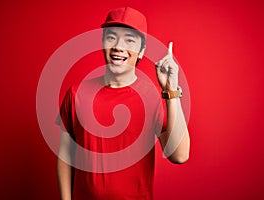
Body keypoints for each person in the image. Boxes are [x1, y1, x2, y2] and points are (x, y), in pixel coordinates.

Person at [57, 7, 190, 200]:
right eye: (111, 37)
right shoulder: (77, 93)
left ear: (142, 51)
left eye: (129, 40)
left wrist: (172, 88)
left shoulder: (150, 97)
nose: (119, 46)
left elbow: (179, 155)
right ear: (102, 42)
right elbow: (65, 155)